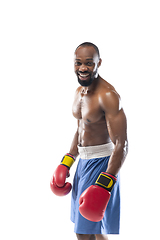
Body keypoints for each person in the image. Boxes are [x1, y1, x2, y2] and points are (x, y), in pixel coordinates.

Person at [50, 42, 128, 240]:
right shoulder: (79, 92)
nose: (82, 68)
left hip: (102, 164)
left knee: (84, 231)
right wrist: (67, 161)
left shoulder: (108, 96)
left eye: (89, 63)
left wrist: (105, 182)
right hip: (83, 165)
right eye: (78, 63)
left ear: (98, 63)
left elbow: (122, 145)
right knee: (91, 229)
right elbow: (80, 130)